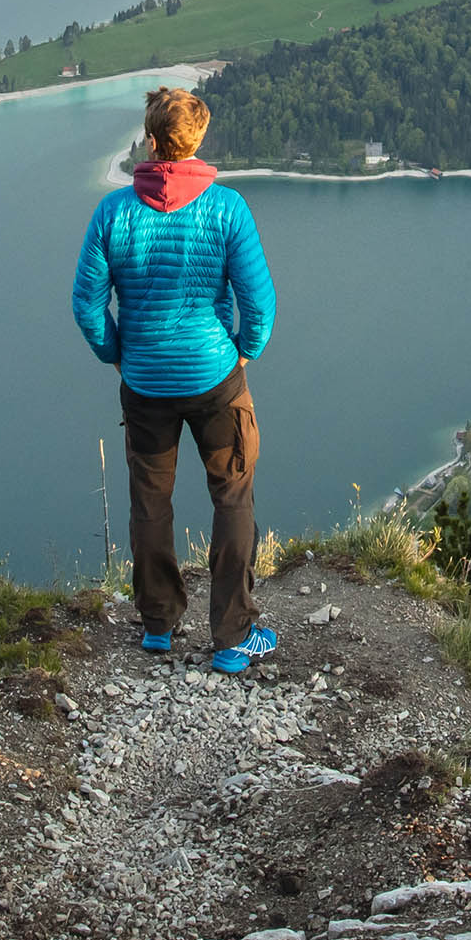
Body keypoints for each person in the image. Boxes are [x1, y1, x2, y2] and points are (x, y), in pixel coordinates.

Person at [72, 84, 278, 674]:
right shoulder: (226, 207)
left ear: (149, 138)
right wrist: (244, 353)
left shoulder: (112, 212)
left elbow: (86, 303)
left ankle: (158, 624)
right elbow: (259, 303)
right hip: (215, 380)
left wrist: (117, 352)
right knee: (232, 493)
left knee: (149, 502)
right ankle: (233, 635)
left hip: (145, 384)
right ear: (199, 137)